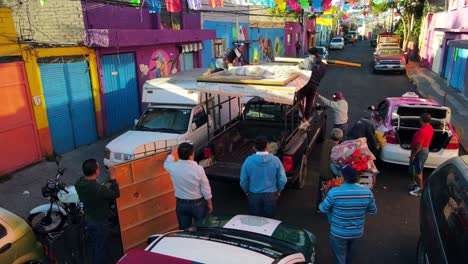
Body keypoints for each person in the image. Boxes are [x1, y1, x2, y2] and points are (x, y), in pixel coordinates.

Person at [319, 165, 377, 264]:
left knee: (340, 256)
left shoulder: (334, 192)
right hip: (356, 232)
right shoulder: (367, 193)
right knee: (350, 254)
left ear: (343, 177)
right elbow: (373, 211)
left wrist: (325, 196)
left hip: (338, 232)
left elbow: (323, 209)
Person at [75, 159, 120, 264]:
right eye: (98, 167)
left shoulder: (79, 183)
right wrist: (113, 179)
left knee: (96, 244)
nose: (99, 169)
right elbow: (116, 194)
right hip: (100, 222)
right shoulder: (99, 189)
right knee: (100, 249)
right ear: (96, 171)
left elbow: (92, 184)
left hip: (88, 218)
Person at [164, 142, 213, 229]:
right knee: (202, 230)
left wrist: (172, 153)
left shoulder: (173, 167)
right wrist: (209, 203)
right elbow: (206, 188)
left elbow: (166, 163)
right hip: (198, 204)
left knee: (184, 232)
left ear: (178, 155)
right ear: (191, 155)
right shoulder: (199, 169)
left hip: (181, 204)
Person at [240, 136, 287, 218]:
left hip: (254, 195)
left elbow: (243, 181)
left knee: (254, 222)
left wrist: (246, 191)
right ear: (267, 146)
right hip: (270, 196)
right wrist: (279, 190)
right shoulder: (275, 160)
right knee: (269, 222)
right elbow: (283, 179)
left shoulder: (249, 160)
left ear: (254, 147)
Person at [298, 47, 327, 129]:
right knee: (309, 104)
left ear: (310, 54)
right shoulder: (323, 65)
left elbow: (299, 67)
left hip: (305, 85)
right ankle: (306, 119)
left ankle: (302, 118)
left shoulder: (307, 61)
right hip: (314, 86)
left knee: (297, 101)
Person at [316, 128, 343, 212]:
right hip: (329, 174)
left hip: (322, 171)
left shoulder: (325, 142)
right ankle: (326, 209)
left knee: (320, 192)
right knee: (328, 193)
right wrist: (339, 174)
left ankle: (318, 208)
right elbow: (332, 164)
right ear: (340, 138)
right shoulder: (336, 148)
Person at [408, 113, 434, 197]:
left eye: (420, 118)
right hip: (423, 151)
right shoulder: (429, 127)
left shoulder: (423, 131)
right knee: (416, 169)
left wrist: (413, 155)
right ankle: (416, 185)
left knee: (418, 171)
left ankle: (420, 188)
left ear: (422, 119)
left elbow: (419, 145)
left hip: (420, 152)